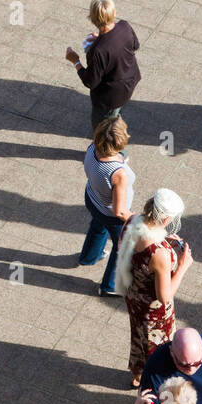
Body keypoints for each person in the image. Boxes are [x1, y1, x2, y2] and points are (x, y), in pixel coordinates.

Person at [116, 189, 191, 387]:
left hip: (133, 294)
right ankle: (151, 381)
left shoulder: (132, 221)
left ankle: (137, 374)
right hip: (153, 309)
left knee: (138, 335)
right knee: (156, 346)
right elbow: (164, 296)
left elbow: (124, 249)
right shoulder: (159, 253)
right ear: (166, 219)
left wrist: (163, 240)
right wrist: (182, 266)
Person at [64, 0, 141, 133]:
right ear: (114, 13)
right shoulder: (125, 26)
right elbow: (135, 45)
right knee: (116, 111)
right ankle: (116, 119)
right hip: (130, 80)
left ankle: (106, 146)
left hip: (111, 96)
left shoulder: (97, 51)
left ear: (93, 20)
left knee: (102, 128)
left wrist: (75, 61)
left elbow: (90, 81)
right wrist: (101, 38)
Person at [79, 116, 135, 297]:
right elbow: (119, 210)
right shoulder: (118, 173)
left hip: (92, 198)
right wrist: (135, 219)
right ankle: (110, 286)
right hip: (110, 214)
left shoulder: (91, 148)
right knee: (122, 246)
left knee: (97, 228)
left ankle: (89, 257)